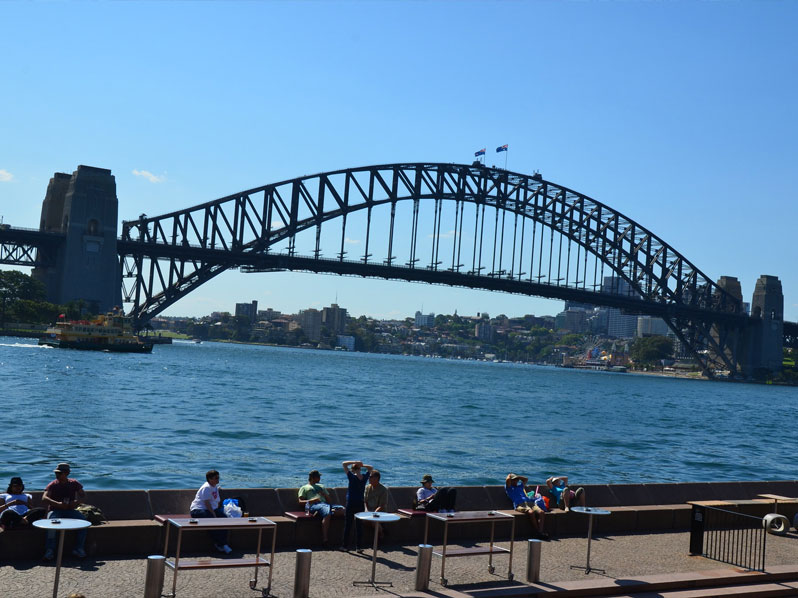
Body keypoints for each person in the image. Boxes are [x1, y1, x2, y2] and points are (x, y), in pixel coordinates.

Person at [41, 462, 88, 560]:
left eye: (59, 473)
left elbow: (83, 496)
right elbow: (44, 498)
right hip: (56, 511)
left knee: (84, 523)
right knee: (51, 525)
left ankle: (78, 548)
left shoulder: (74, 483)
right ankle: (50, 550)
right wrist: (57, 504)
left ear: (67, 473)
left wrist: (76, 502)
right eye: (56, 473)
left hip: (70, 510)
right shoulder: (53, 484)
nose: (57, 475)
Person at [189, 469, 232, 554]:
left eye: (218, 477)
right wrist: (214, 514)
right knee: (212, 520)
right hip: (198, 510)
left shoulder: (214, 487)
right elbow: (207, 503)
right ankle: (221, 544)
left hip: (211, 509)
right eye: (216, 478)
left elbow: (215, 501)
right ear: (210, 479)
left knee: (225, 519)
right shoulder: (206, 488)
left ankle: (223, 543)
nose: (218, 480)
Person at [298, 469, 343, 547]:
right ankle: (325, 539)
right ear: (313, 477)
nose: (320, 478)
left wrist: (324, 494)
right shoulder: (304, 487)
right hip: (314, 505)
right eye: (318, 477)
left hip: (325, 504)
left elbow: (329, 501)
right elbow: (300, 502)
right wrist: (312, 500)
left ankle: (321, 513)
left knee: (343, 510)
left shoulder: (321, 486)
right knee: (327, 513)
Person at [340, 460, 373, 552]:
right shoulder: (364, 478)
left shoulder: (351, 477)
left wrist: (355, 462)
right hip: (360, 503)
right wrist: (362, 465)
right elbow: (371, 468)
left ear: (353, 469)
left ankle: (344, 546)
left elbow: (344, 464)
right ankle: (358, 547)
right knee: (359, 526)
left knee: (348, 525)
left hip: (351, 502)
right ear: (359, 468)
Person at [505, 473, 549, 540]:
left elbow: (526, 479)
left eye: (516, 480)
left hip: (530, 502)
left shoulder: (520, 486)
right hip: (519, 504)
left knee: (541, 512)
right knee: (531, 512)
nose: (515, 481)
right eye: (513, 480)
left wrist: (518, 477)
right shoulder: (509, 488)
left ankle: (540, 532)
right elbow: (507, 480)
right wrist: (510, 475)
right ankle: (538, 532)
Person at [363, 469, 388, 547]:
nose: (369, 479)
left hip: (380, 511)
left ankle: (380, 535)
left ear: (376, 478)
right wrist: (367, 510)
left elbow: (382, 505)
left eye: (370, 477)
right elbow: (365, 501)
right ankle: (382, 530)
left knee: (374, 520)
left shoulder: (383, 489)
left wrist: (374, 512)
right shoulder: (367, 487)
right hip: (369, 510)